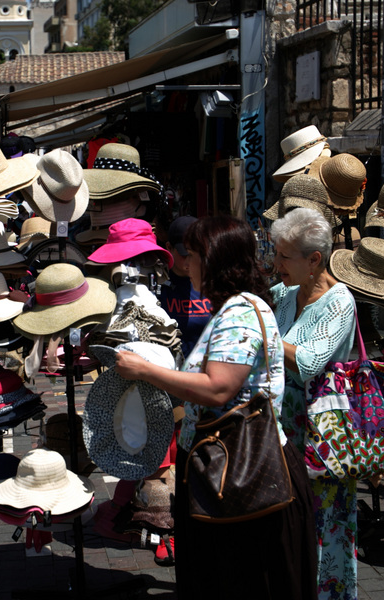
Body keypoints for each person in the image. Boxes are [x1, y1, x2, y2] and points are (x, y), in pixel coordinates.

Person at [115, 215, 317, 600]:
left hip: (239, 470)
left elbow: (217, 388)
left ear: (214, 260)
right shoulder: (235, 307)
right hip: (228, 466)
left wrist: (145, 369)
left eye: (192, 255)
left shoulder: (239, 312)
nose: (186, 264)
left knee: (240, 581)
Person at [269, 208, 357, 600]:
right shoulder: (286, 294)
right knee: (291, 524)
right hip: (285, 432)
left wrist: (262, 332)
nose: (276, 264)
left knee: (325, 526)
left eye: (284, 256)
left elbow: (307, 363)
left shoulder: (340, 303)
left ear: (314, 260)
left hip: (322, 436)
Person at [158, 215, 211, 357]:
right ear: (169, 247)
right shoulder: (158, 285)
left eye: (195, 254)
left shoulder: (212, 284)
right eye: (185, 254)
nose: (189, 262)